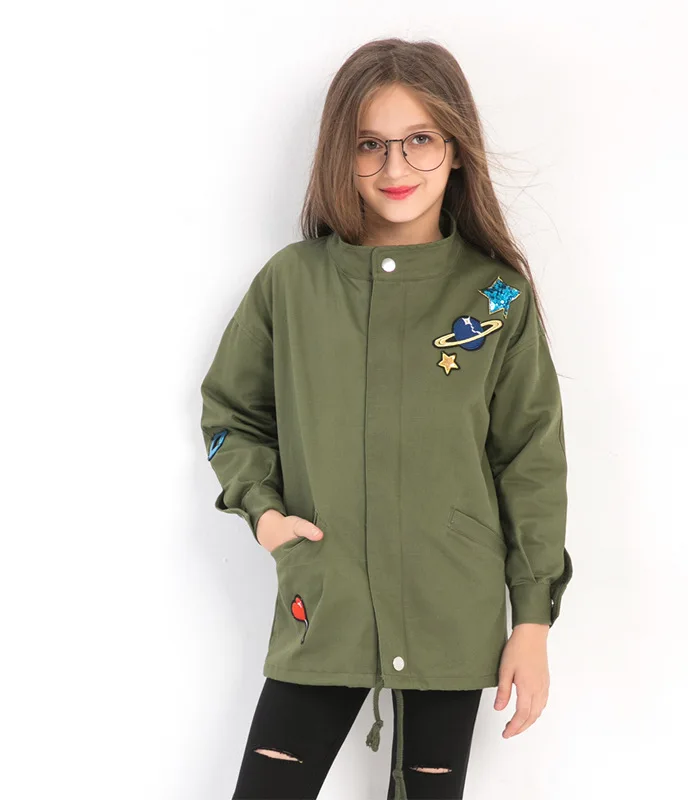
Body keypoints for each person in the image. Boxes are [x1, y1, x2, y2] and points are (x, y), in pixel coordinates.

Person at [200, 36, 572, 800]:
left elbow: (530, 459)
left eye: (419, 140)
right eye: (370, 144)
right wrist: (263, 513)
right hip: (323, 603)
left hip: (452, 611)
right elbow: (229, 414)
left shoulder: (497, 297)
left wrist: (531, 621)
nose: (395, 167)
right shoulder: (292, 285)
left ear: (456, 149)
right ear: (341, 153)